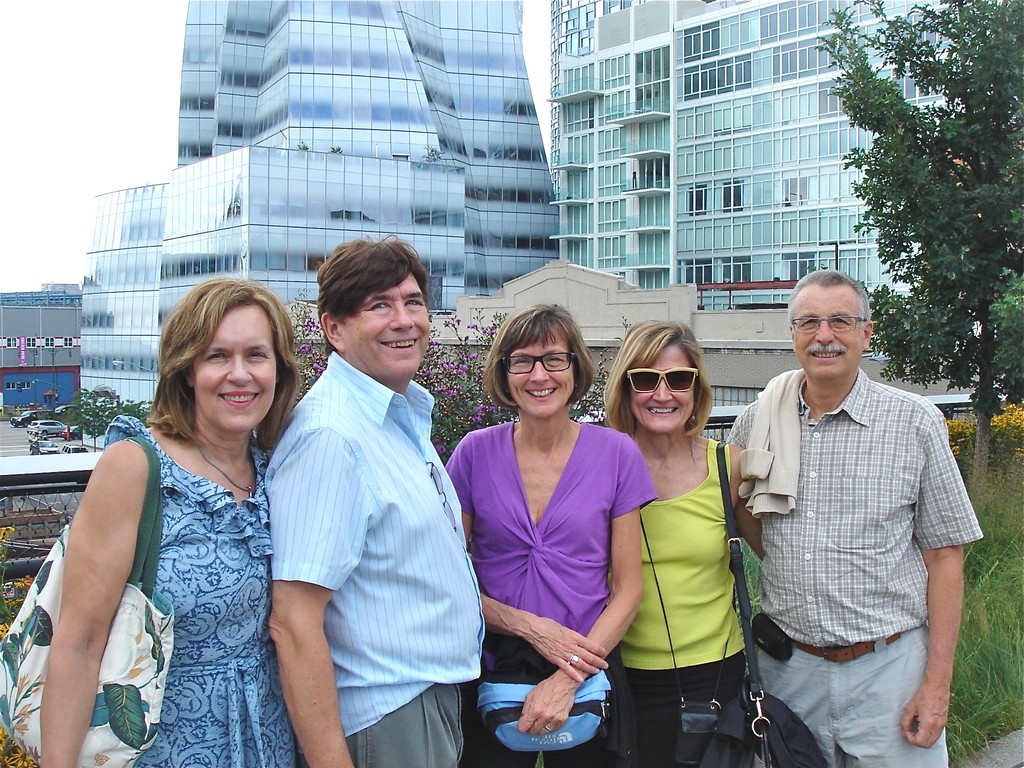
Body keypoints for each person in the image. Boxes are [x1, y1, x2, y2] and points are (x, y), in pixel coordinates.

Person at [41, 278, 300, 767]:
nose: (239, 374)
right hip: (160, 746)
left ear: (279, 369)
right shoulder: (136, 467)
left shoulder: (276, 466)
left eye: (256, 355)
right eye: (218, 356)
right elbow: (77, 644)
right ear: (186, 370)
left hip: (266, 742)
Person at [728, 269, 982, 768]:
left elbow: (946, 556)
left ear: (867, 333)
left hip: (890, 672)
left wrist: (937, 686)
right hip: (788, 673)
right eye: (809, 323)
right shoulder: (757, 421)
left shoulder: (915, 422)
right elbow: (744, 513)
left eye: (840, 321)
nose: (824, 336)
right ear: (793, 335)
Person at [267, 237, 483, 768]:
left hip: (423, 698)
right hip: (384, 712)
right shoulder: (330, 437)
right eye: (379, 305)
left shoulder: (395, 416)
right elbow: (293, 621)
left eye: (413, 302)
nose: (405, 320)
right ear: (334, 329)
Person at [447, 304, 656, 768]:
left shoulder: (616, 453)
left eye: (554, 359)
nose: (539, 375)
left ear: (575, 367)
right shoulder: (473, 454)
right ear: (505, 374)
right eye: (522, 361)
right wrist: (530, 628)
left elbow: (627, 588)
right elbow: (445, 577)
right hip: (490, 663)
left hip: (586, 664)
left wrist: (569, 677)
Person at [603, 321, 761, 768]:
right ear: (626, 388)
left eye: (678, 379)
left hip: (715, 677)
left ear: (696, 388)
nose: (662, 394)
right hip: (622, 675)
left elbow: (777, 553)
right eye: (646, 379)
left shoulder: (727, 465)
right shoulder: (599, 464)